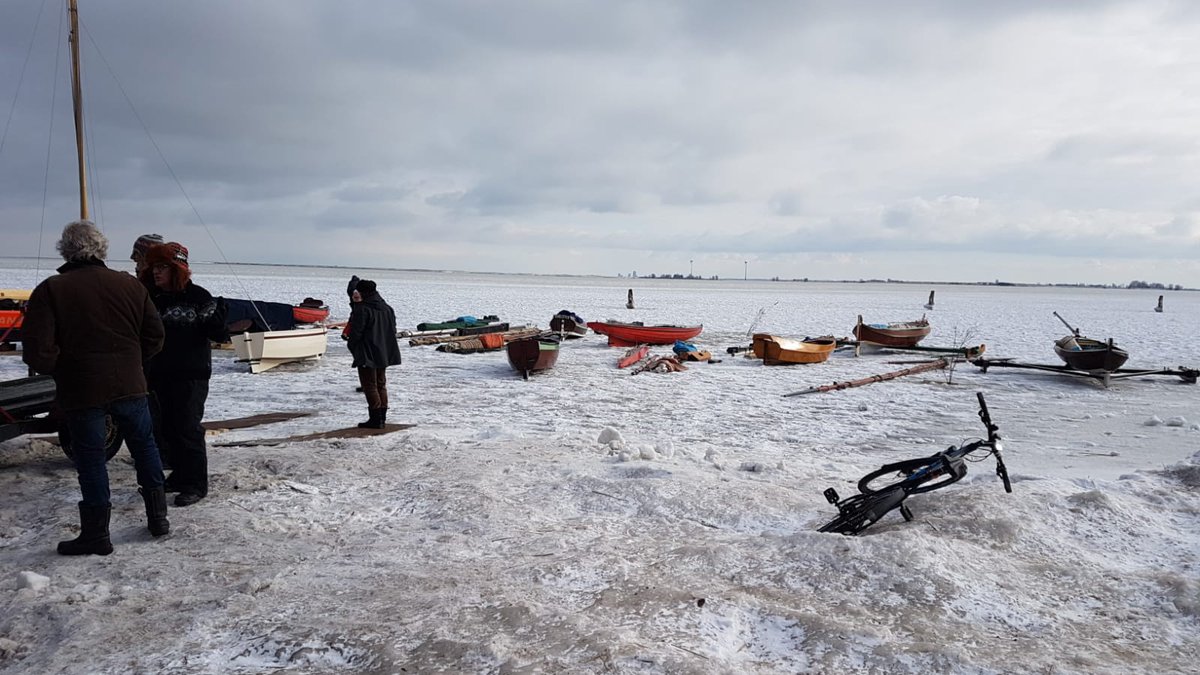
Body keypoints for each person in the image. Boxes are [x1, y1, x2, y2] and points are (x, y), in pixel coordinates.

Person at [22, 220, 169, 555]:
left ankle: (96, 535)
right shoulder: (130, 286)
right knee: (145, 449)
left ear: (66, 250)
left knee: (91, 460)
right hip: (131, 385)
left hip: (83, 391)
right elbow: (155, 337)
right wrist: (131, 361)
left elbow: (38, 353)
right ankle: (158, 518)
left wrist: (66, 368)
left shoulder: (52, 290)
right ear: (101, 249)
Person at [140, 242, 228, 507]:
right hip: (158, 374)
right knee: (167, 429)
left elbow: (219, 335)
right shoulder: (151, 297)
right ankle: (179, 476)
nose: (157, 273)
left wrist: (218, 316)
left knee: (188, 428)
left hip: (191, 375)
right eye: (154, 267)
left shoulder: (199, 297)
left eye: (163, 267)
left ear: (177, 269)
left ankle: (196, 484)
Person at [346, 279, 401, 428]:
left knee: (369, 385)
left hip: (367, 351)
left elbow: (356, 333)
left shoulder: (362, 309)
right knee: (381, 384)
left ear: (363, 292)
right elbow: (393, 329)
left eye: (358, 291)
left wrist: (351, 345)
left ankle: (376, 419)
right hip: (384, 351)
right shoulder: (387, 308)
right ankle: (381, 418)